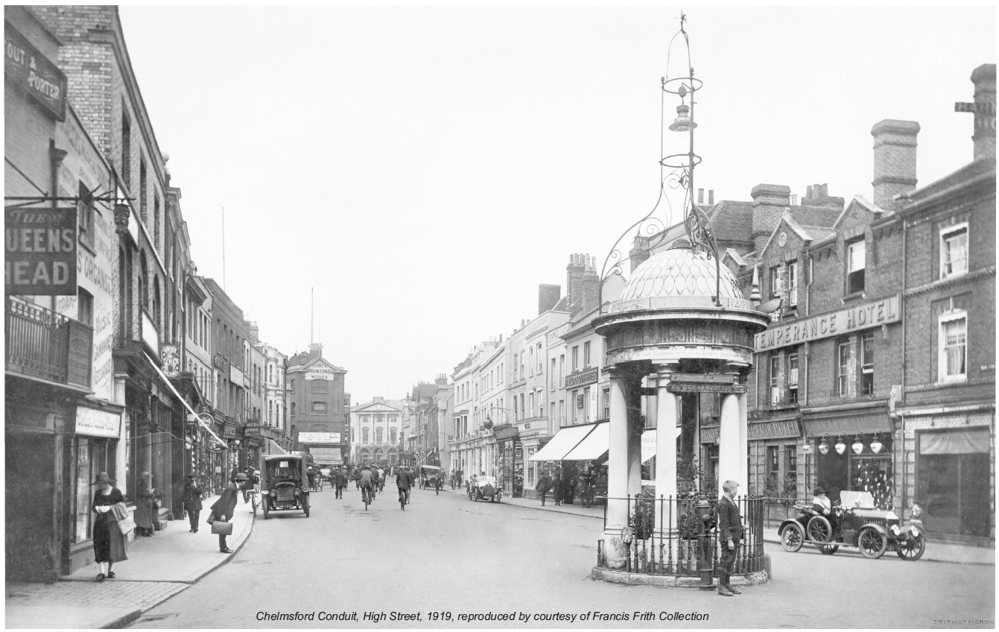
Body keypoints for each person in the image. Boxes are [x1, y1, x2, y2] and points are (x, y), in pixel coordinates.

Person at [91, 472, 128, 581]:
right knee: (100, 545)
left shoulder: (116, 492)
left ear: (107, 482)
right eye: (99, 484)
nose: (101, 486)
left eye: (103, 483)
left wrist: (110, 508)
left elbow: (123, 507)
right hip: (100, 522)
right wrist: (98, 509)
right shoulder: (98, 493)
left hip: (112, 523)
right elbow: (93, 507)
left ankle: (110, 570)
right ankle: (101, 571)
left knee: (112, 546)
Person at [716, 480, 744, 597]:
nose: (737, 492)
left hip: (734, 537)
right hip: (729, 539)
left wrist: (742, 527)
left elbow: (732, 519)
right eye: (736, 490)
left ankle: (727, 584)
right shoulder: (723, 503)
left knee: (730, 562)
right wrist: (729, 539)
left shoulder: (730, 501)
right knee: (725, 561)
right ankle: (721, 586)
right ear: (730, 490)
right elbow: (723, 524)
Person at [207, 480, 239, 553]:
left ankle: (223, 547)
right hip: (222, 512)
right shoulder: (231, 488)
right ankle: (223, 548)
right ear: (242, 482)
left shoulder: (233, 487)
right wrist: (223, 514)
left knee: (223, 530)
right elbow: (225, 502)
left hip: (223, 511)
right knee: (223, 530)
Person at [134, 472, 159, 537]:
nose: (148, 479)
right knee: (144, 517)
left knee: (145, 517)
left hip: (144, 502)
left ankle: (145, 531)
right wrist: (149, 494)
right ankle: (144, 531)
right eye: (147, 477)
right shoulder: (142, 483)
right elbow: (141, 493)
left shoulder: (142, 483)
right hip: (143, 503)